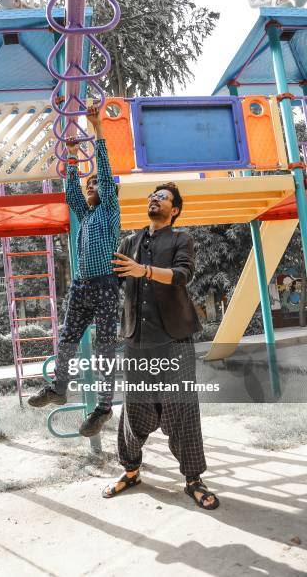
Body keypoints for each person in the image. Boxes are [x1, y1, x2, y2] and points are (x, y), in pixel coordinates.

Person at [103, 182, 220, 510]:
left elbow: (184, 275)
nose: (155, 199)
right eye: (153, 196)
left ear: (175, 209)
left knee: (182, 407)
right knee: (134, 407)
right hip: (137, 341)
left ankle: (193, 479)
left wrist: (145, 271)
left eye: (163, 197)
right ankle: (131, 471)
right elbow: (113, 278)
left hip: (175, 340)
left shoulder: (182, 239)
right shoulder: (130, 241)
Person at [28, 104, 121, 438]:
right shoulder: (86, 213)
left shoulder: (110, 211)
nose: (91, 185)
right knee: (67, 337)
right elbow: (71, 192)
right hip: (82, 286)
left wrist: (97, 132)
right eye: (90, 183)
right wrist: (70, 157)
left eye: (96, 183)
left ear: (109, 192)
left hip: (107, 285)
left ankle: (103, 408)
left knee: (104, 347)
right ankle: (59, 388)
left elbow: (107, 180)